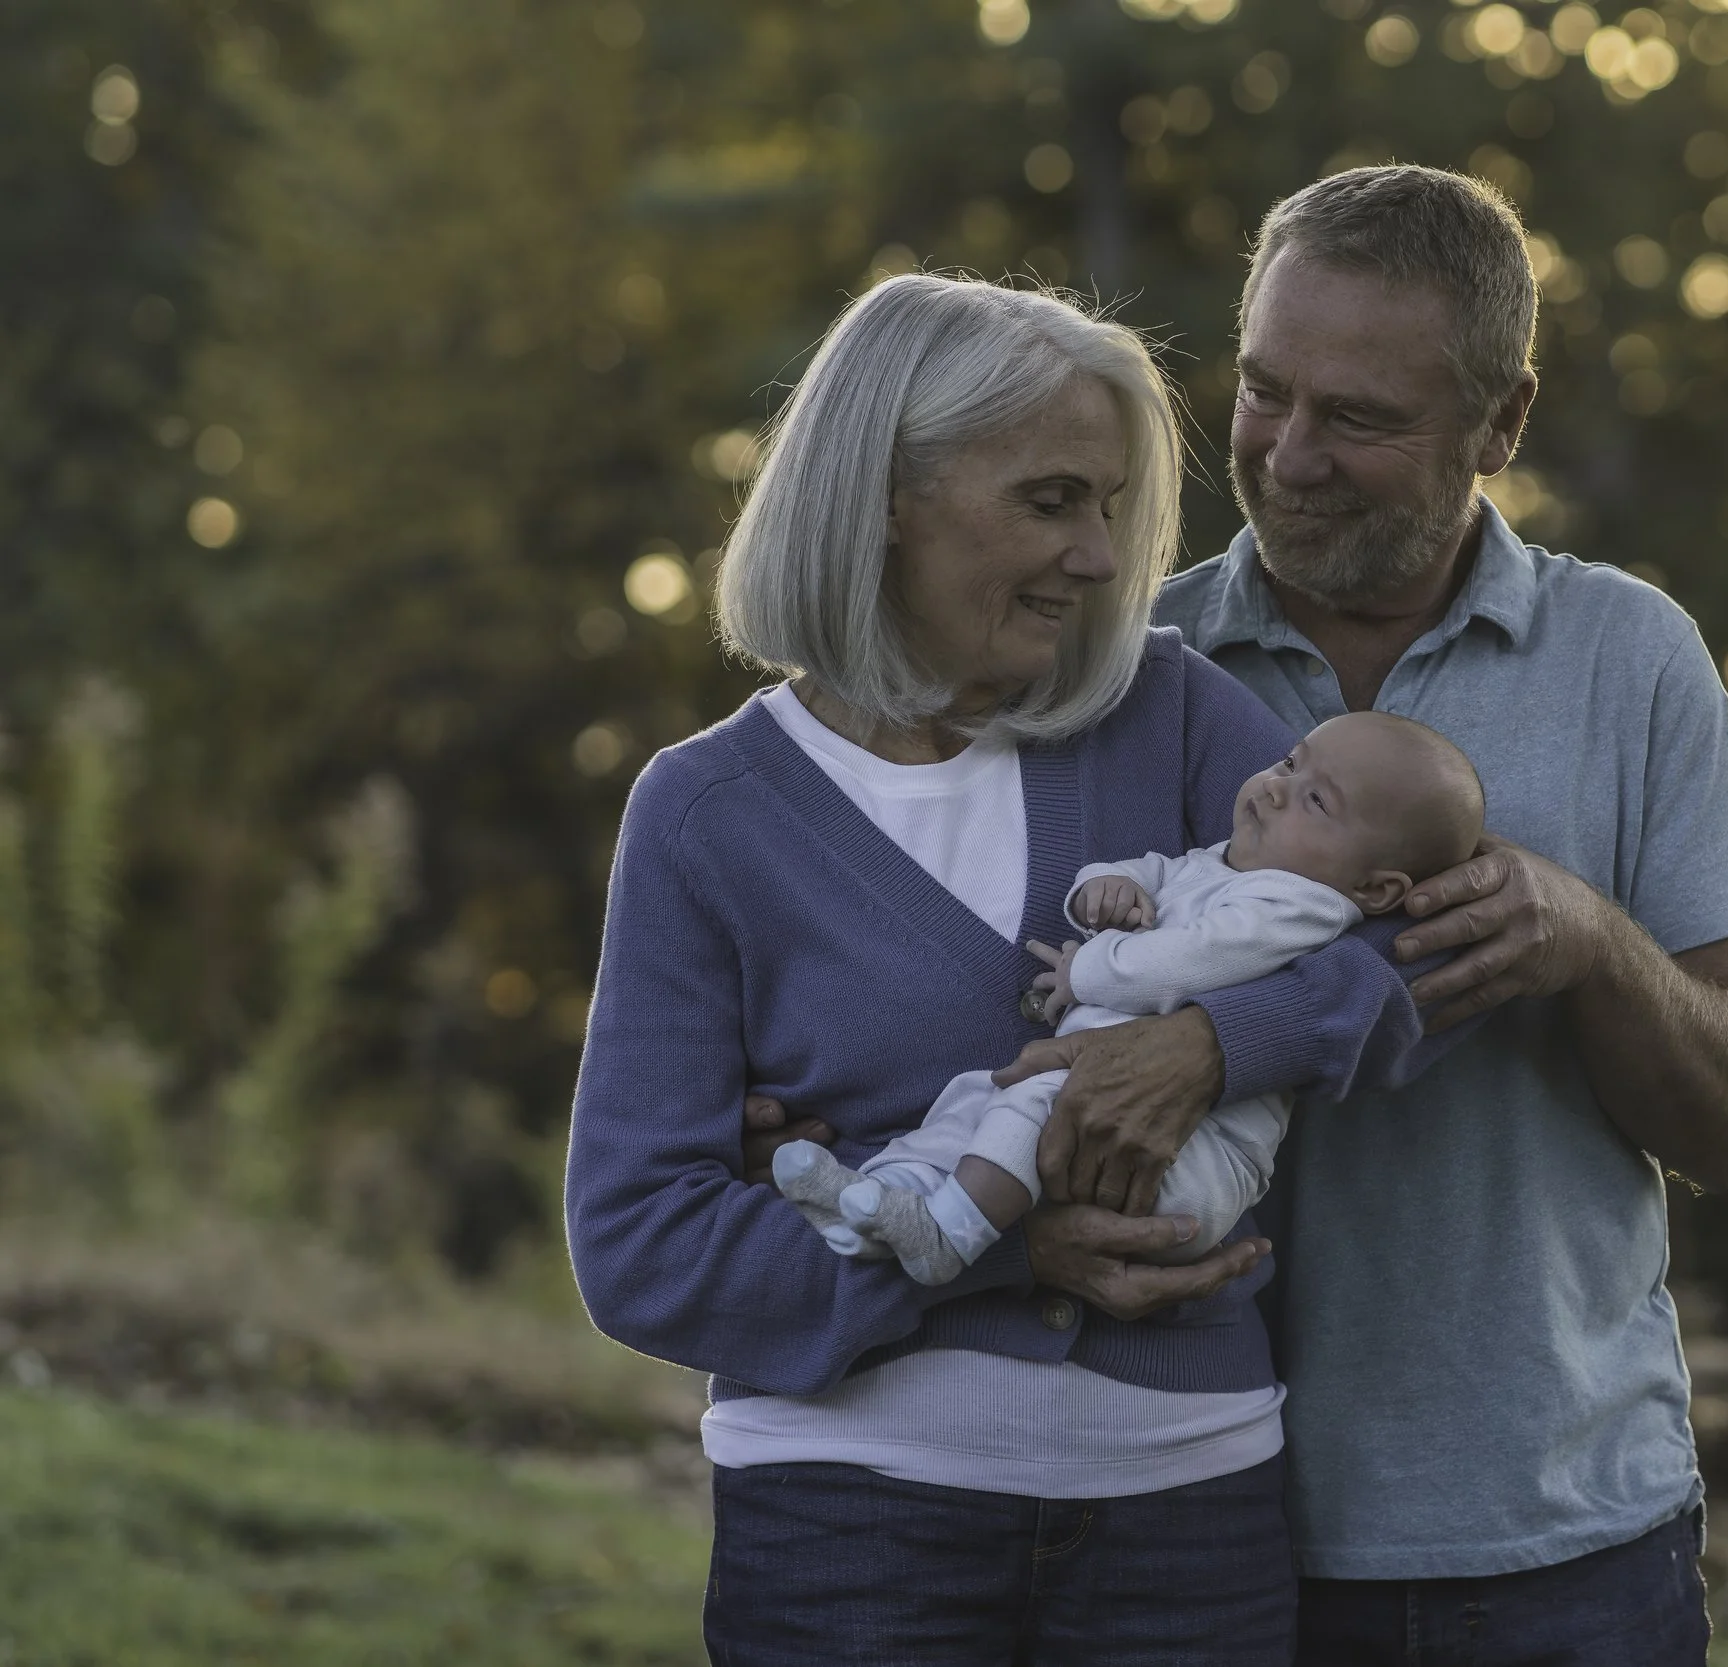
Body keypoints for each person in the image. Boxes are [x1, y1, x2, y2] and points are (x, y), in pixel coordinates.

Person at [565, 272, 1449, 1667]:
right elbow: (638, 1242)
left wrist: (1213, 1044)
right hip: (851, 1527)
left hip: (1187, 1511)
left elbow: (1418, 935)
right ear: (888, 497)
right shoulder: (706, 811)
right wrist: (995, 1255)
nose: (1101, 558)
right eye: (1051, 501)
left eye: (1108, 504)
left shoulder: (1166, 717)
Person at [1009, 166, 1728, 1663]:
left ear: (1501, 423)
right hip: (1177, 1529)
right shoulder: (1118, 659)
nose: (1288, 454)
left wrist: (1591, 939)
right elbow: (993, 1036)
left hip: (1565, 1544)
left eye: (1358, 418)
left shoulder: (1633, 659)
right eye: (1262, 389)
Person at [774, 710, 1486, 1281]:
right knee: (979, 1095)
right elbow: (1148, 873)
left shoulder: (1301, 905)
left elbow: (1188, 961)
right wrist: (1107, 888)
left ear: (1375, 888)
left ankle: (949, 1236)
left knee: (1032, 1098)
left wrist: (1089, 968)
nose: (1273, 786)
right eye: (1289, 761)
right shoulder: (1222, 863)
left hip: (1193, 1163)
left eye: (1315, 799)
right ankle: (880, 1198)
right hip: (1111, 1117)